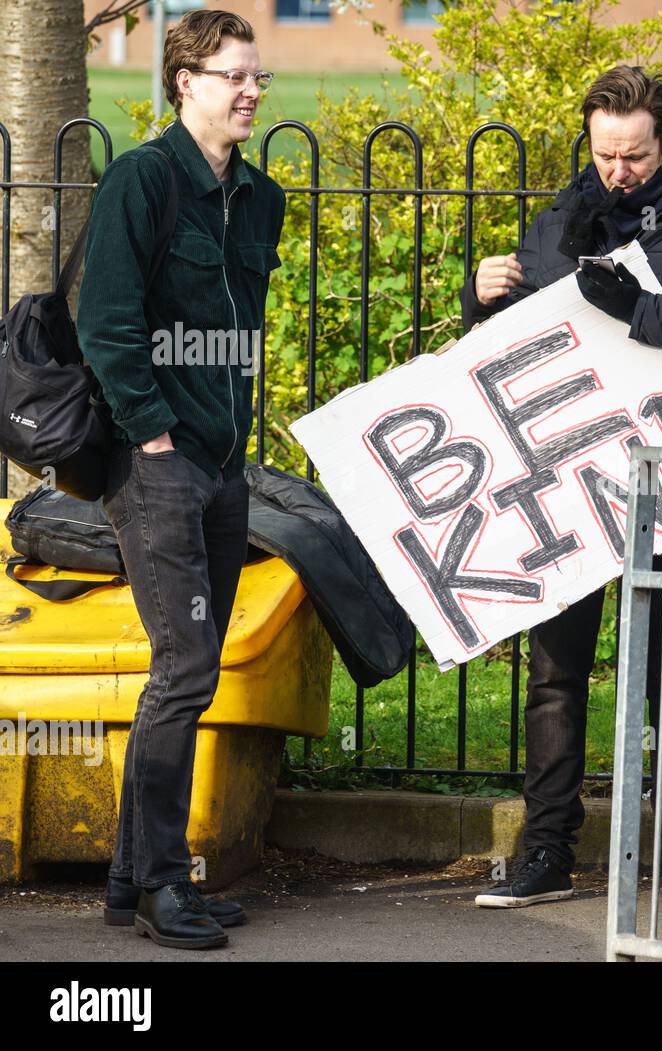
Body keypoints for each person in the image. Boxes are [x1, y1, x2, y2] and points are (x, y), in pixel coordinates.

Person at [460, 65, 662, 910]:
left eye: (635, 155)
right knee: (556, 673)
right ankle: (546, 850)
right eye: (605, 154)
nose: (618, 171)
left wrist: (643, 309)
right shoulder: (562, 218)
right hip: (571, 478)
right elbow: (518, 346)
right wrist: (480, 301)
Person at [77, 10, 285, 948]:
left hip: (223, 463)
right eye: (233, 76)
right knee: (188, 667)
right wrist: (153, 436)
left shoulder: (258, 198)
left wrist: (224, 439)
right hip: (154, 465)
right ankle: (164, 884)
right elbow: (107, 325)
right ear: (184, 81)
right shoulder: (142, 181)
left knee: (183, 673)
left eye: (257, 78)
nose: (250, 92)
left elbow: (233, 339)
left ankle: (131, 881)